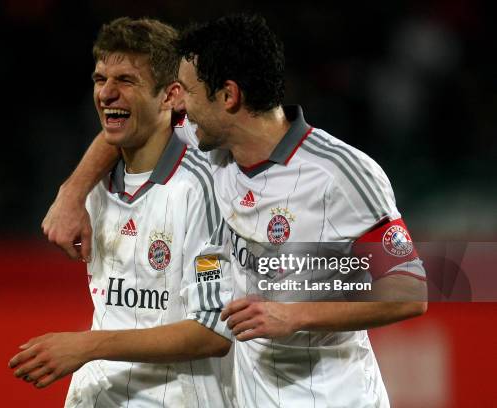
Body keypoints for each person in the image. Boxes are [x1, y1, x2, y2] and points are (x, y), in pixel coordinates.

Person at [41, 14, 428, 407]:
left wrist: (295, 317)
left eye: (188, 92)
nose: (179, 104)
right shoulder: (215, 150)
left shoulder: (339, 172)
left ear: (228, 96)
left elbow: (408, 292)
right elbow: (129, 126)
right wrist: (71, 194)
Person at [8, 17, 235, 408]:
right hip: (95, 396)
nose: (107, 94)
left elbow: (212, 333)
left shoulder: (203, 185)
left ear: (169, 95)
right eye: (100, 80)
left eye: (126, 81)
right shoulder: (92, 185)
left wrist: (88, 346)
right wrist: (72, 191)